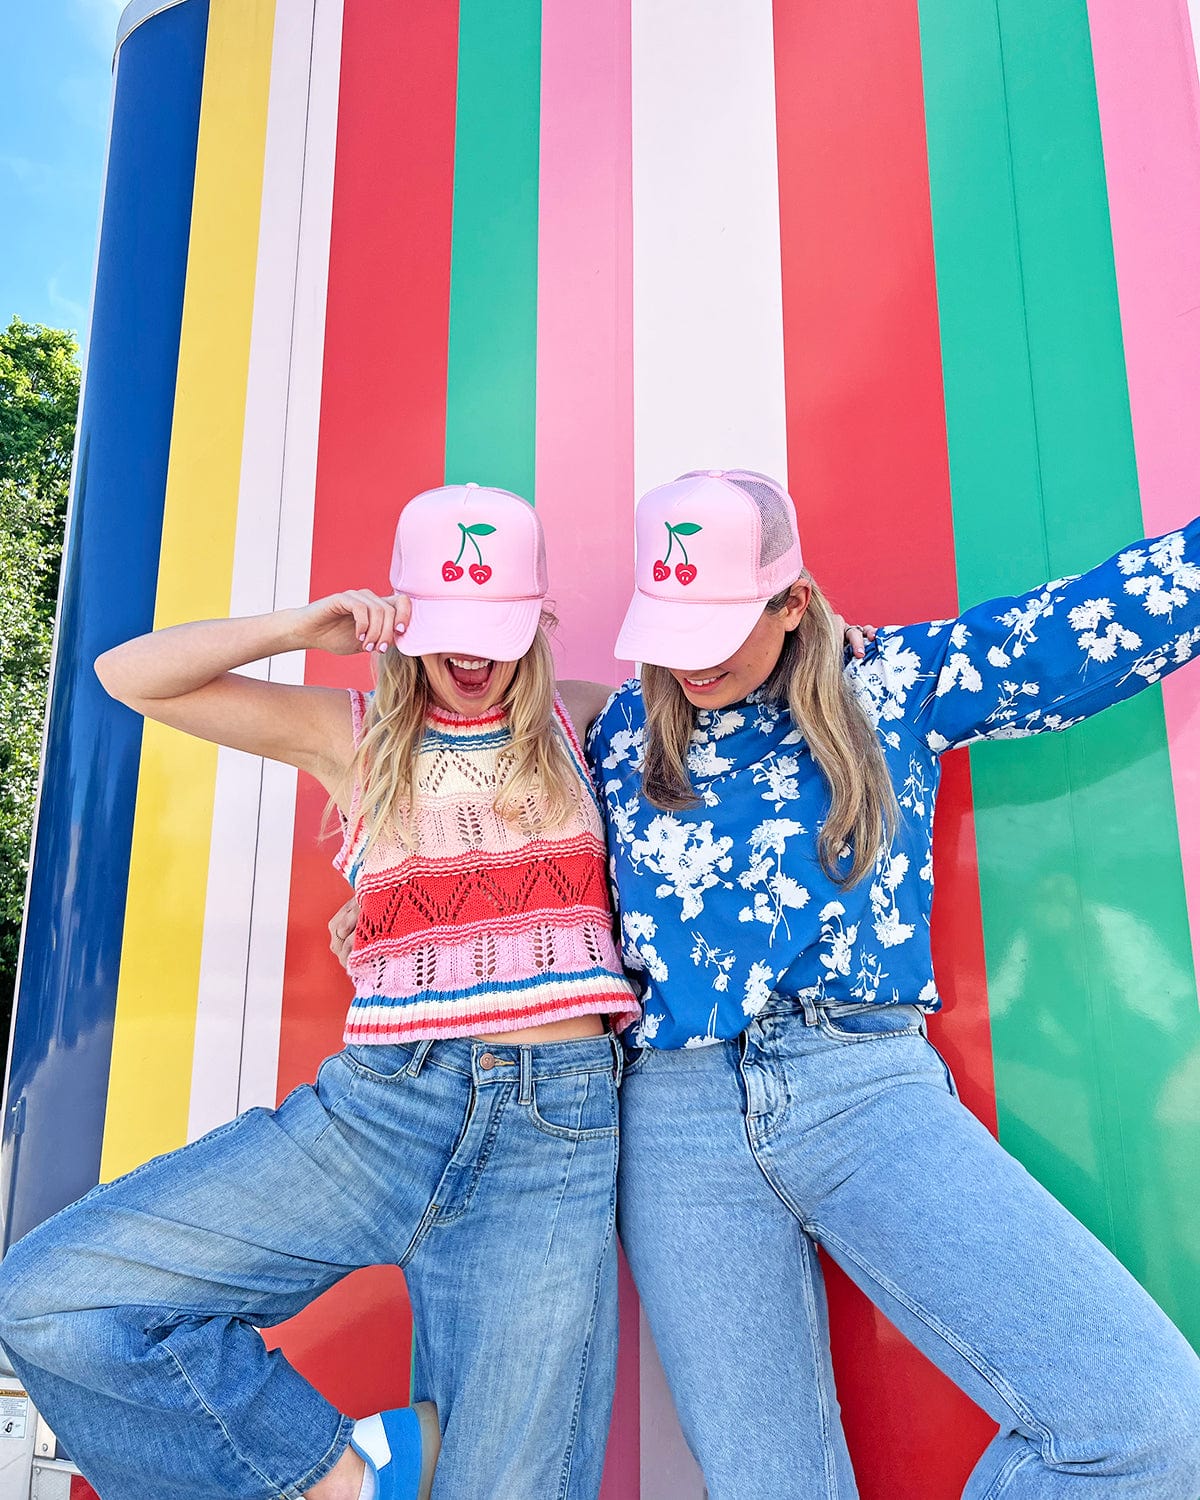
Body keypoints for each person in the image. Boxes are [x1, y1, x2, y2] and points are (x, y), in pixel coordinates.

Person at [0, 484, 640, 1500]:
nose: (472, 658)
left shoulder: (590, 722)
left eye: (498, 629)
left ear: (537, 621)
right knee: (53, 1299)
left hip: (550, 1133)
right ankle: (341, 1478)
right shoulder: (352, 732)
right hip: (379, 1111)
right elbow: (132, 677)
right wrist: (307, 624)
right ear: (402, 619)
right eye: (447, 628)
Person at [588, 468, 1200, 1499]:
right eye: (668, 626)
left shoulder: (895, 681)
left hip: (860, 1090)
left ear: (792, 604)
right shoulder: (610, 734)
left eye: (719, 628)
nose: (686, 662)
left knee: (1148, 1427)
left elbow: (1100, 620)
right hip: (674, 1119)